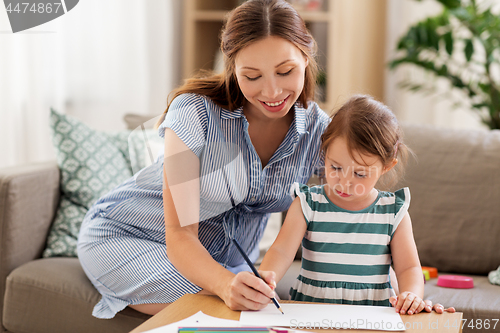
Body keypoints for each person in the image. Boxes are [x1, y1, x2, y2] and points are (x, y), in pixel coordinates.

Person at [77, 0, 453, 319]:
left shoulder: (319, 135)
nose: (272, 91)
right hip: (126, 234)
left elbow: (352, 212)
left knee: (251, 303)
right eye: (252, 75)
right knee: (213, 299)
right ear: (232, 68)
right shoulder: (192, 114)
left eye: (285, 71)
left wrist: (410, 299)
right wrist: (225, 284)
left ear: (307, 58)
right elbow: (180, 235)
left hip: (228, 263)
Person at [258, 95, 450, 315]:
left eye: (360, 173)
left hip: (375, 316)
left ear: (387, 166)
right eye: (335, 167)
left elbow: (409, 268)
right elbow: (281, 251)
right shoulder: (308, 203)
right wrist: (266, 279)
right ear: (325, 152)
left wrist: (412, 295)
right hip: (312, 311)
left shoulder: (393, 212)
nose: (345, 182)